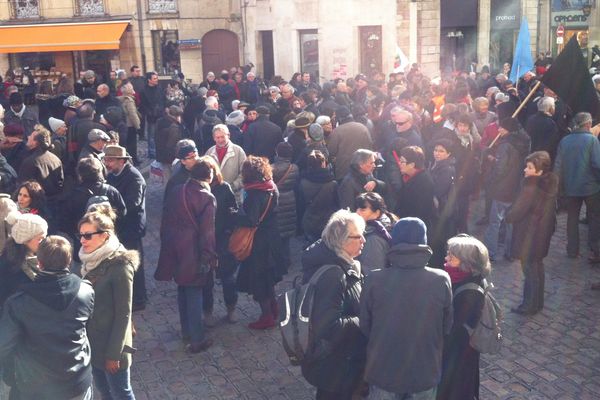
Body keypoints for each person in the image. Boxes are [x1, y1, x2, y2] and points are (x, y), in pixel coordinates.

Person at [360, 217, 452, 399]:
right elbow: (446, 326)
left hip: (383, 369)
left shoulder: (374, 279)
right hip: (424, 370)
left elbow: (365, 326)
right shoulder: (441, 279)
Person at [0, 236, 95, 400]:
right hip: (77, 381)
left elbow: (4, 345)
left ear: (39, 263)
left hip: (36, 387)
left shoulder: (18, 302)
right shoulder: (86, 291)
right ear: (70, 260)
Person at [301, 210, 367, 399]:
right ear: (342, 241)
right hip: (335, 366)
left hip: (343, 362)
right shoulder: (334, 275)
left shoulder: (346, 263)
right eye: (358, 236)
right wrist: (363, 318)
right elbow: (328, 325)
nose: (364, 240)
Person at [155, 160, 217, 352]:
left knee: (183, 289)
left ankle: (186, 331)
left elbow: (166, 218)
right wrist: (208, 256)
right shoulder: (206, 197)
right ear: (209, 176)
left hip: (176, 247)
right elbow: (208, 231)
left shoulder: (177, 190)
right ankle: (197, 338)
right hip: (194, 251)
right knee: (194, 292)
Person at [78, 210, 138, 399]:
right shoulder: (90, 261)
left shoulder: (120, 266)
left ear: (105, 236)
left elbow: (124, 314)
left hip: (112, 346)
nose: (82, 240)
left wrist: (114, 354)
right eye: (80, 235)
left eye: (88, 235)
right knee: (104, 391)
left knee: (121, 392)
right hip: (93, 342)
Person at [437, 235, 491, 400]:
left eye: (451, 258)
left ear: (466, 263)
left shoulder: (470, 292)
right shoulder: (465, 279)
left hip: (458, 356)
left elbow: (455, 330)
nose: (446, 260)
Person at [234, 156, 285, 329]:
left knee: (260, 280)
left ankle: (267, 316)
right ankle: (274, 308)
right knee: (268, 279)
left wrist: (234, 215)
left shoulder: (255, 194)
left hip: (260, 243)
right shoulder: (271, 186)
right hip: (273, 238)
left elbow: (251, 220)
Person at [506, 151, 558, 315]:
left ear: (539, 171)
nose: (525, 170)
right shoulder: (549, 185)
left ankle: (528, 304)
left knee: (529, 270)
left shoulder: (531, 187)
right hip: (541, 235)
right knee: (537, 268)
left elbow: (517, 211)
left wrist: (508, 216)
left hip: (529, 236)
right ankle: (537, 303)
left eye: (529, 167)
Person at [104, 145, 148, 311]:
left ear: (122, 161)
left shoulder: (134, 178)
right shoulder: (114, 174)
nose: (107, 163)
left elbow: (132, 204)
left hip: (131, 226)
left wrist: (111, 211)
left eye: (110, 160)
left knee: (134, 262)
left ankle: (139, 298)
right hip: (120, 225)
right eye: (106, 160)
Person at [553, 112, 600, 262]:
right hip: (590, 187)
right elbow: (597, 164)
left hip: (571, 187)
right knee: (594, 219)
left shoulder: (565, 140)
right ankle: (595, 250)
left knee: (572, 219)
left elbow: (558, 166)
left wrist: (557, 187)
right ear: (587, 124)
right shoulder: (592, 140)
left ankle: (572, 250)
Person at [483, 117, 531, 262]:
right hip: (517, 187)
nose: (499, 130)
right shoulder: (525, 141)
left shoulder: (505, 145)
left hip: (502, 188)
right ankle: (510, 252)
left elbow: (500, 169)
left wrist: (491, 160)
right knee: (510, 222)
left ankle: (491, 251)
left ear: (508, 129)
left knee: (495, 222)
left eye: (502, 127)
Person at [202, 156, 239, 324]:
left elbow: (233, 211)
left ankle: (231, 308)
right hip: (205, 241)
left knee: (228, 278)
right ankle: (207, 312)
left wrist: (229, 231)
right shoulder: (198, 190)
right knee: (206, 281)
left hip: (223, 240)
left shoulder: (224, 188)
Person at [298, 150, 338, 242]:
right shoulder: (332, 183)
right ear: (323, 163)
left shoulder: (303, 182)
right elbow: (337, 203)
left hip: (310, 220)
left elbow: (301, 204)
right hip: (328, 220)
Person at [429, 139, 457, 268]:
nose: (437, 153)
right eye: (436, 150)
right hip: (438, 209)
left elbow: (439, 190)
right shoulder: (434, 164)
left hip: (442, 210)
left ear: (448, 153)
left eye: (441, 151)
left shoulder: (446, 169)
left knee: (439, 241)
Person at [18, 124, 64, 202]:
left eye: (31, 136)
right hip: (55, 203)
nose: (28, 137)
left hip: (36, 204)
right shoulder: (56, 159)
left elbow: (23, 187)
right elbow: (60, 183)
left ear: (36, 142)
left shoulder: (30, 162)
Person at [271, 142, 300, 267]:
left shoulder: (272, 168)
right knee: (287, 232)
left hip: (277, 200)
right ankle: (287, 259)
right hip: (290, 199)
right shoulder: (294, 168)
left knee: (277, 231)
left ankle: (278, 260)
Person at [327, 106, 373, 180]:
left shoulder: (337, 131)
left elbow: (331, 152)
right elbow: (370, 147)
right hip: (363, 170)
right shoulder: (363, 128)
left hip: (344, 171)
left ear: (339, 118)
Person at [354, 192, 396, 274]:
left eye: (363, 210)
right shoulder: (382, 228)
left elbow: (371, 273)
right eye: (357, 208)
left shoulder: (373, 238)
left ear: (377, 212)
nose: (357, 212)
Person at [395, 146, 436, 229]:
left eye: (402, 161)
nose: (399, 163)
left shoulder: (424, 182)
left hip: (414, 227)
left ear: (412, 165)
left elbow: (420, 211)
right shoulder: (407, 177)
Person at [205, 124, 247, 203]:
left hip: (234, 196)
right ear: (214, 138)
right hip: (214, 196)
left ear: (228, 135)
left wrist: (234, 186)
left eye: (223, 137)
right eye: (218, 137)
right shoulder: (209, 152)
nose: (220, 140)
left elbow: (245, 173)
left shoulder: (238, 151)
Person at [118, 82, 141, 164]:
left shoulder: (120, 99)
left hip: (123, 125)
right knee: (132, 144)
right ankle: (134, 160)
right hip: (130, 125)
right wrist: (138, 126)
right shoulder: (129, 100)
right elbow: (133, 115)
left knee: (126, 143)